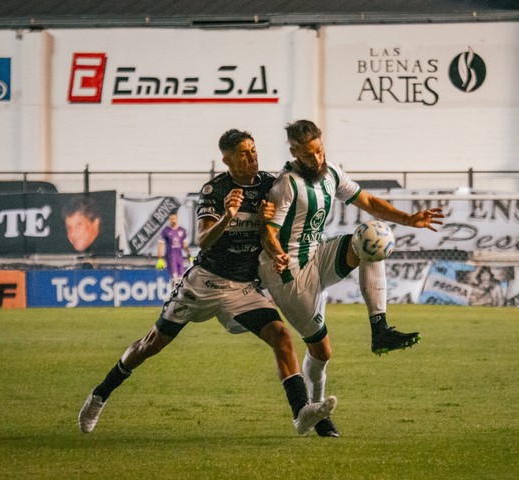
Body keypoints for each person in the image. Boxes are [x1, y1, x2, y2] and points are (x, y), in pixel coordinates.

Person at [78, 129, 336, 437]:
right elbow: (203, 239)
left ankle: (301, 413)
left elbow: (270, 231)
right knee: (151, 345)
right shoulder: (216, 189)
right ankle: (100, 395)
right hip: (205, 282)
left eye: (254, 150)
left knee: (281, 336)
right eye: (244, 153)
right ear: (227, 159)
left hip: (242, 287)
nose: (252, 157)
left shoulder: (270, 185)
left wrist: (277, 249)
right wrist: (228, 216)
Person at [258, 119, 445, 437]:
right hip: (289, 275)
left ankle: (380, 328)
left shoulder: (330, 173)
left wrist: (408, 219)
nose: (315, 159)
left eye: (318, 150)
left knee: (372, 236)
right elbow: (268, 232)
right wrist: (276, 253)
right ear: (294, 152)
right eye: (307, 155)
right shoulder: (286, 185)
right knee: (321, 352)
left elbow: (369, 203)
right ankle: (315, 412)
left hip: (317, 257)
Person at [156, 210, 191, 286]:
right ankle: (173, 295)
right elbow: (161, 245)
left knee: (181, 278)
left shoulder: (182, 230)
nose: (173, 221)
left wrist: (189, 255)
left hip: (179, 257)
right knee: (174, 279)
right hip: (170, 257)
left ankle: (179, 296)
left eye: (174, 218)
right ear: (169, 220)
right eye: (171, 219)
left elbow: (184, 245)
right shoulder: (165, 231)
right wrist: (159, 258)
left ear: (177, 218)